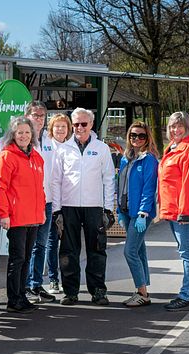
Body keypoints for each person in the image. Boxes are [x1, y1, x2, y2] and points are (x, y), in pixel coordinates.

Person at [50, 108, 116, 306]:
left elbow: (109, 179)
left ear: (91, 125)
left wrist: (107, 208)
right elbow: (56, 181)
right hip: (68, 207)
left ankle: (98, 291)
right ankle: (70, 292)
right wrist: (57, 210)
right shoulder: (62, 149)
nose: (79, 128)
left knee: (97, 249)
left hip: (94, 207)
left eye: (83, 124)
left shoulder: (102, 148)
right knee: (68, 251)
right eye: (76, 124)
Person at [0, 116, 46, 313]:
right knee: (17, 259)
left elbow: (39, 188)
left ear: (32, 134)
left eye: (26, 132)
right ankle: (13, 299)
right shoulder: (6, 156)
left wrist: (41, 211)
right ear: (13, 135)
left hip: (33, 217)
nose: (23, 135)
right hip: (16, 217)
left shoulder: (36, 157)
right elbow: (0, 187)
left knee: (25, 258)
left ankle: (21, 295)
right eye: (19, 132)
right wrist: (4, 214)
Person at [158, 111, 189, 311]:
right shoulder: (174, 148)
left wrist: (185, 211)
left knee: (186, 253)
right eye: (172, 127)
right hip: (173, 209)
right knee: (187, 252)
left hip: (181, 211)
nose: (175, 130)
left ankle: (186, 294)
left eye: (180, 126)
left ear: (187, 128)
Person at [117, 121, 158, 307]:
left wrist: (143, 212)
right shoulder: (126, 158)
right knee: (139, 250)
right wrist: (118, 209)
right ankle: (144, 290)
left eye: (141, 136)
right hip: (126, 211)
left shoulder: (149, 159)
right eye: (133, 135)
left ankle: (141, 292)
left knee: (130, 251)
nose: (137, 139)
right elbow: (120, 184)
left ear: (147, 138)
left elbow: (149, 188)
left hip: (140, 213)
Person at [25, 101, 57, 304]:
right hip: (28, 201)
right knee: (28, 246)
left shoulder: (49, 140)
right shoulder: (21, 139)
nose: (39, 119)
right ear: (27, 115)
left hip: (47, 200)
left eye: (42, 115)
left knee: (41, 245)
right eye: (35, 115)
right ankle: (26, 285)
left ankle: (37, 283)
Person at [43, 113, 72, 295]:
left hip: (69, 201)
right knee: (51, 242)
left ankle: (69, 279)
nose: (60, 129)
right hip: (49, 201)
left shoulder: (72, 148)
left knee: (68, 242)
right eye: (57, 126)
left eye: (63, 126)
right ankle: (53, 279)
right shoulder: (45, 146)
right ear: (51, 129)